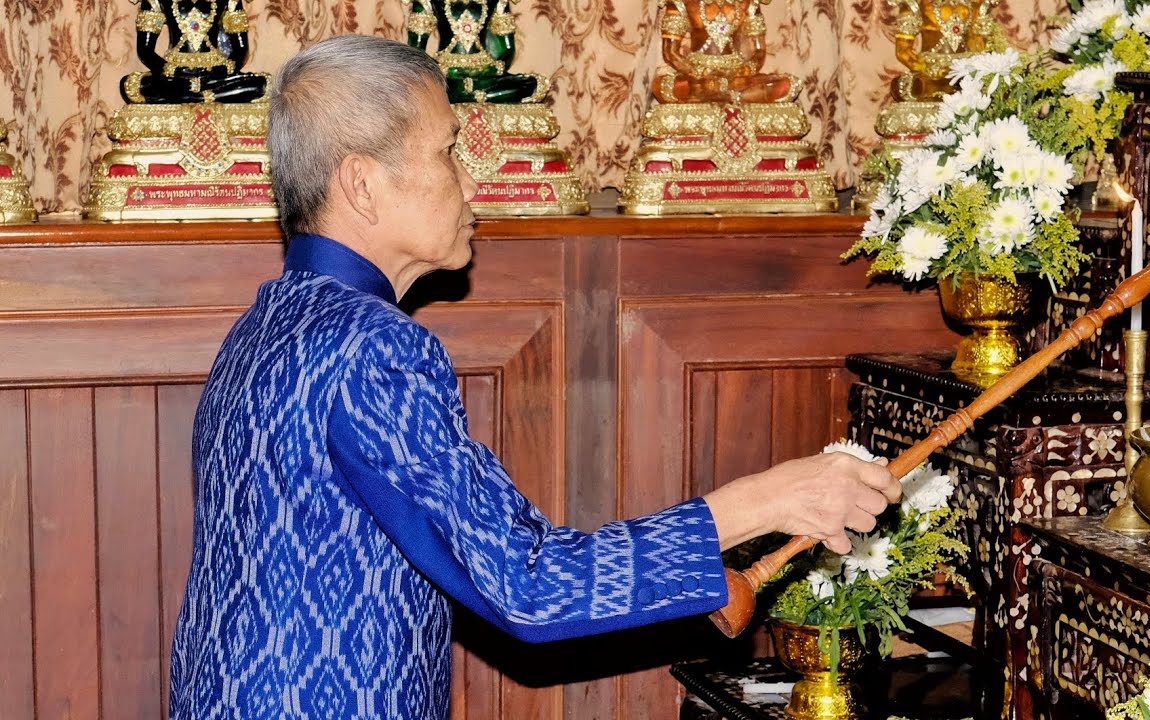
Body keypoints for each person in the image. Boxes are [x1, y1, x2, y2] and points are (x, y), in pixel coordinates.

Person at [167, 34, 899, 719]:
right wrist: (767, 500)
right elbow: (531, 584)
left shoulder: (268, 322)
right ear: (362, 184)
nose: (468, 180)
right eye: (448, 153)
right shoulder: (372, 348)